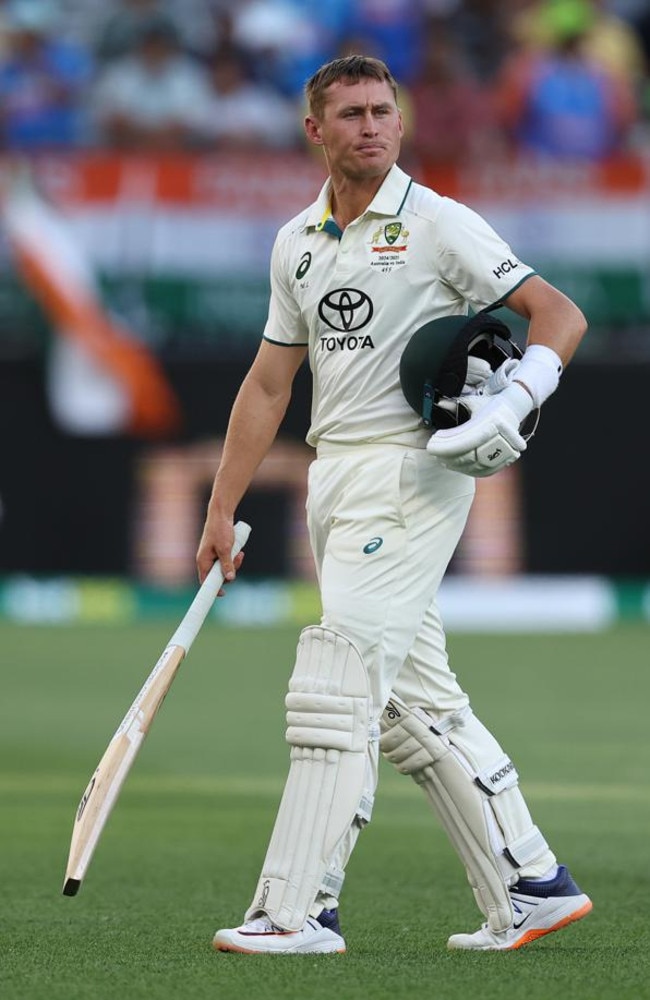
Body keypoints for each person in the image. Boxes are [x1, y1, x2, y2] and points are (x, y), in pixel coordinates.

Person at [196, 54, 592, 955]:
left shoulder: (437, 222)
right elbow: (267, 385)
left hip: (414, 472)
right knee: (413, 701)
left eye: (384, 111)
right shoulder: (297, 239)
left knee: (339, 682)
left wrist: (515, 398)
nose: (371, 126)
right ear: (316, 131)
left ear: (401, 124)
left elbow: (557, 315)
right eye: (352, 114)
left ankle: (298, 909)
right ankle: (529, 882)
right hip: (334, 476)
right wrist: (220, 508)